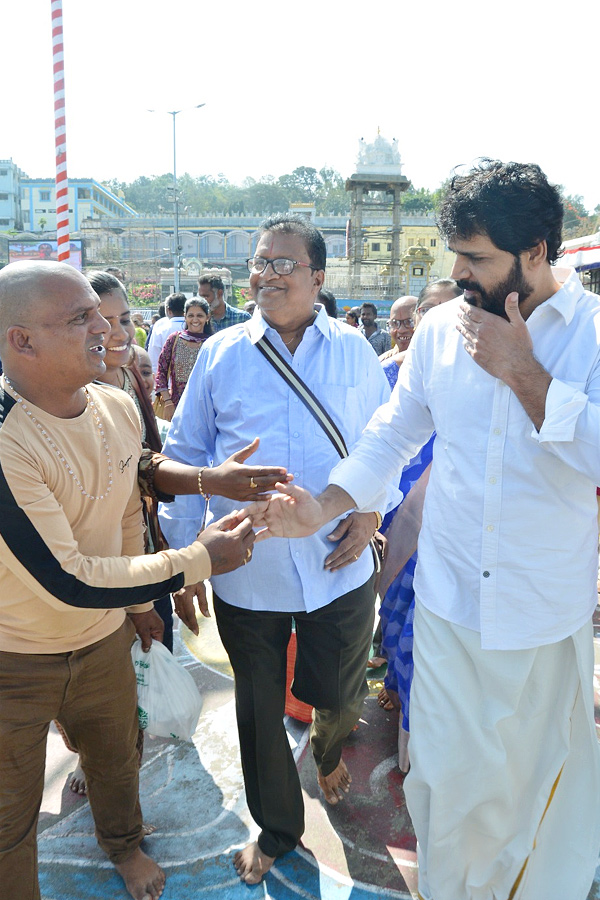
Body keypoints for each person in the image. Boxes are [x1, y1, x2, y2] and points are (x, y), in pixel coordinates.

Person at [250, 161, 600, 900]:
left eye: (476, 258)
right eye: (458, 255)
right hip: (447, 608)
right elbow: (390, 435)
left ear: (536, 250)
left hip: (543, 614)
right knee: (443, 786)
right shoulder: (441, 332)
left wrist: (526, 377)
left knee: (533, 796)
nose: (459, 273)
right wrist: (326, 504)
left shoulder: (592, 334)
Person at [0, 260, 257, 900]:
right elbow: (69, 578)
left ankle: (123, 845)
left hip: (103, 642)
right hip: (14, 659)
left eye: (104, 314)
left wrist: (143, 604)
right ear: (20, 341)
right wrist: (196, 559)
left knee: (117, 760)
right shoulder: (8, 440)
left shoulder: (113, 404)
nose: (107, 330)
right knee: (8, 813)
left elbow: (125, 497)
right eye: (81, 318)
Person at [159, 213, 393, 885]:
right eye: (259, 263)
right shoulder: (224, 353)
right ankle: (278, 829)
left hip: (337, 563)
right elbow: (186, 454)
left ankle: (326, 749)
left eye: (284, 264)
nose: (267, 274)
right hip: (248, 571)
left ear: (318, 277)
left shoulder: (354, 351)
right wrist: (187, 558)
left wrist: (373, 507)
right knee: (259, 710)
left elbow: (388, 443)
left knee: (341, 695)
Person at [154, 297, 213, 419]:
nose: (195, 320)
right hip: (176, 407)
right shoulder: (174, 339)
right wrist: (168, 402)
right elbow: (161, 371)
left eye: (199, 315)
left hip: (205, 408)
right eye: (191, 315)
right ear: (185, 316)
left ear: (208, 317)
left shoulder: (213, 343)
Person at [147, 292, 186, 372]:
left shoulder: (160, 328)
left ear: (168, 310)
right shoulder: (196, 326)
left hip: (166, 380)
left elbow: (153, 358)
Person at [378, 295, 417, 368]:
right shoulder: (382, 365)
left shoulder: (436, 361)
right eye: (395, 323)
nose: (401, 330)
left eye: (409, 322)